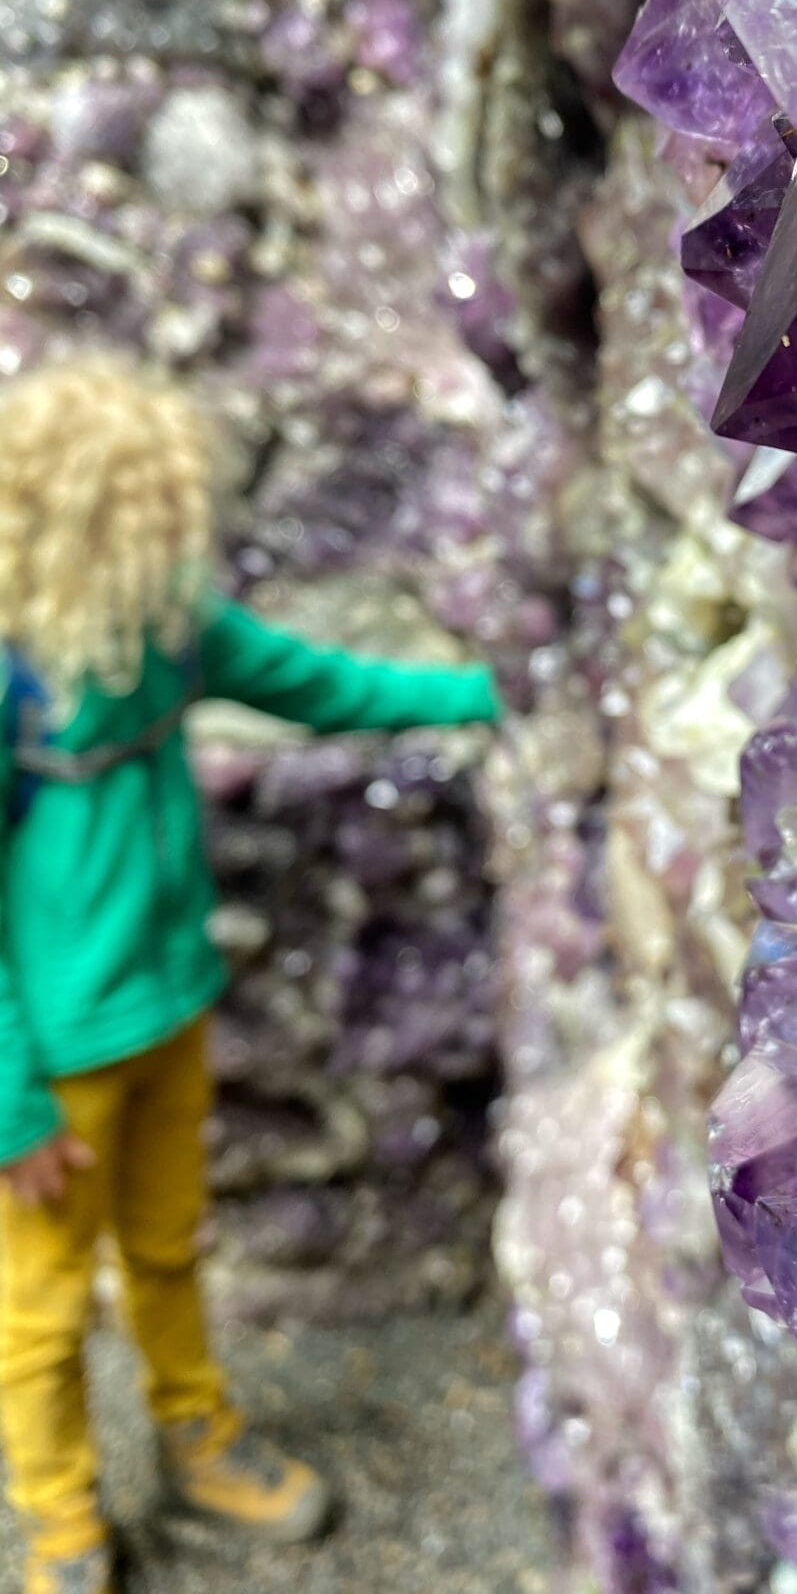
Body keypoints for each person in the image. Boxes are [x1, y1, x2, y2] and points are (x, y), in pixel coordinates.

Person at [0, 355, 505, 1594]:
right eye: (156, 523)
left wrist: (494, 691)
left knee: (168, 1244)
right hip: (53, 1061)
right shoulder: (18, 674)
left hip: (167, 1009)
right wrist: (10, 1099)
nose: (182, 547)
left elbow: (322, 688)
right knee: (40, 1311)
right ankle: (60, 1516)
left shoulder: (168, 630)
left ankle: (198, 1438)